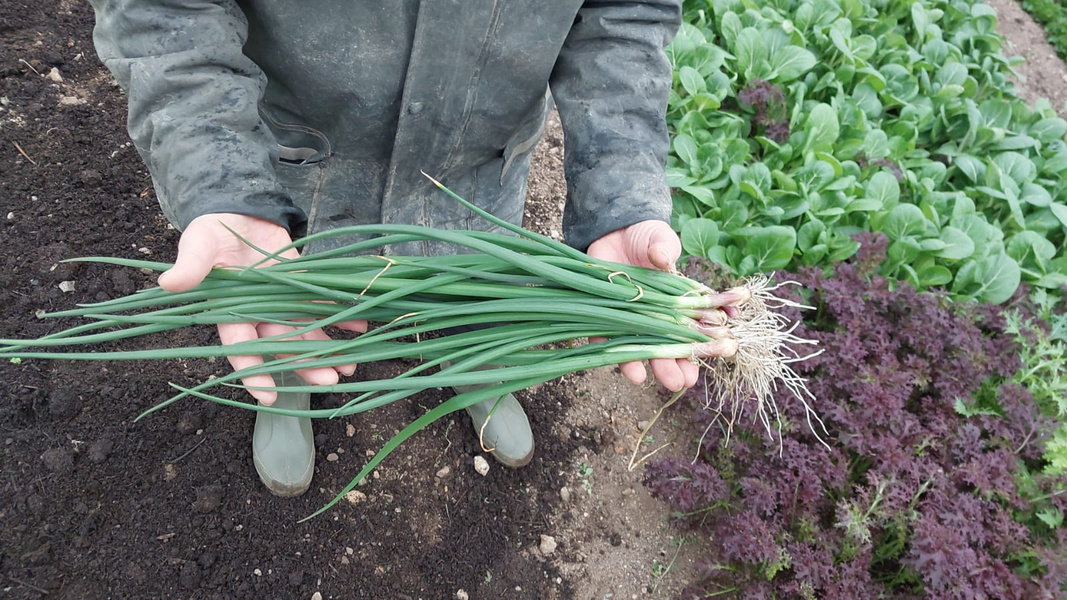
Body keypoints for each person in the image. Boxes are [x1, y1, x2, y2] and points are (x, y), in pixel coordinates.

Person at [89, 0, 710, 497]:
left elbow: (625, 14)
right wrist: (221, 180)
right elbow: (161, 12)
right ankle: (286, 374)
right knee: (297, 291)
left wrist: (620, 194)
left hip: (478, 165)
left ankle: (485, 359)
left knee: (479, 283)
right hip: (310, 160)